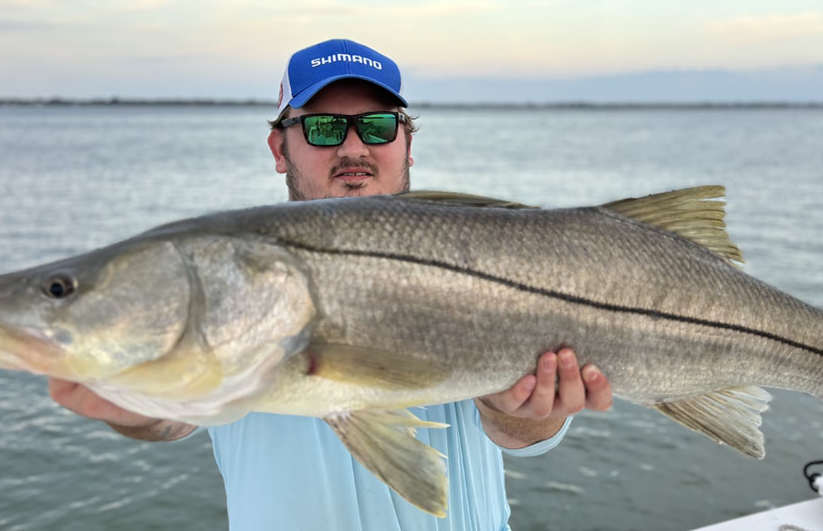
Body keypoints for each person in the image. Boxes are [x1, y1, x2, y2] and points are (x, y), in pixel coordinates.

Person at [48, 38, 613, 530]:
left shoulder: (485, 255)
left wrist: (529, 407)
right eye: (322, 128)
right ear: (280, 148)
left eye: (376, 126)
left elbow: (520, 433)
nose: (352, 149)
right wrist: (126, 399)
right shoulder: (228, 270)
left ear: (407, 144)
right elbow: (171, 414)